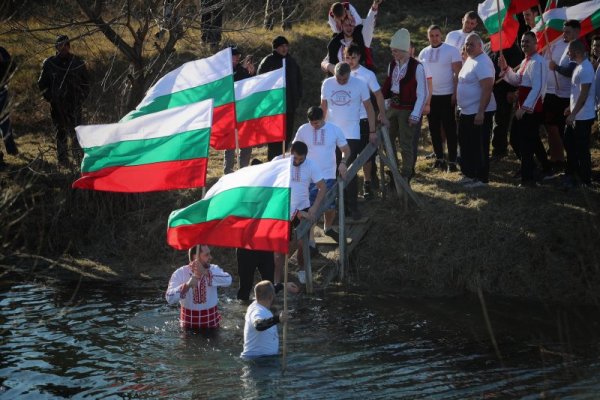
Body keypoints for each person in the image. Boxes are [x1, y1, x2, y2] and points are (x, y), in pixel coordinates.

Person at [321, 62, 376, 219]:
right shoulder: (327, 83)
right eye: (339, 78)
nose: (341, 82)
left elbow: (369, 108)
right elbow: (323, 107)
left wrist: (372, 130)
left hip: (351, 133)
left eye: (344, 79)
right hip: (331, 133)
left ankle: (352, 207)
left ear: (349, 75)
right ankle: (339, 206)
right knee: (335, 170)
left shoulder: (359, 84)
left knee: (349, 170)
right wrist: (321, 131)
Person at [293, 106, 350, 246]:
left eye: (317, 123)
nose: (314, 126)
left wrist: (343, 162)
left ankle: (328, 227)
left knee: (330, 206)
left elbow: (346, 150)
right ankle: (311, 242)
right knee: (310, 207)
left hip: (327, 174)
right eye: (311, 123)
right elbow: (294, 149)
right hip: (307, 175)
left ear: (323, 118)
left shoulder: (334, 129)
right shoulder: (303, 129)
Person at [499, 31, 548, 187]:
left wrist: (525, 108)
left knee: (526, 143)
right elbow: (516, 80)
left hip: (531, 110)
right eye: (522, 41)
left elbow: (538, 87)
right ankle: (542, 168)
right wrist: (505, 67)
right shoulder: (526, 61)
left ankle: (528, 178)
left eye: (527, 41)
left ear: (536, 43)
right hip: (523, 108)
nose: (524, 44)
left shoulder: (538, 61)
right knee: (521, 139)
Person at [273, 141, 327, 283]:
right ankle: (277, 281)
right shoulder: (279, 161)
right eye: (295, 158)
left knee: (303, 243)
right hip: (282, 209)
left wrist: (314, 207)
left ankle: (302, 269)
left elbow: (323, 187)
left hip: (303, 208)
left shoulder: (311, 165)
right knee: (278, 250)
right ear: (291, 152)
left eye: (300, 159)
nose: (297, 161)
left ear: (305, 157)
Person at [381, 28, 427, 183]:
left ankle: (406, 174)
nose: (393, 54)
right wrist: (386, 104)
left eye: (395, 51)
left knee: (405, 143)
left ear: (403, 50)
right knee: (387, 139)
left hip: (408, 109)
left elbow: (422, 93)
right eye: (392, 51)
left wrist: (415, 114)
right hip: (393, 107)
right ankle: (393, 170)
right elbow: (390, 86)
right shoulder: (392, 64)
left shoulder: (417, 67)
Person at [38, 35, 90, 168]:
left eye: (66, 45)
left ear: (69, 46)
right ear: (56, 47)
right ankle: (63, 160)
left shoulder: (77, 62)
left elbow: (86, 83)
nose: (64, 48)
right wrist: (51, 98)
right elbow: (42, 84)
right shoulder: (49, 63)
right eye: (61, 45)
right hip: (57, 105)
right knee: (60, 132)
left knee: (76, 132)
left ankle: (79, 159)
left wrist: (81, 98)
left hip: (74, 103)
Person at [344, 44, 388, 198]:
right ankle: (348, 188)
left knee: (366, 155)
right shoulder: (341, 73)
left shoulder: (367, 74)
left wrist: (382, 113)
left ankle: (367, 183)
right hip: (346, 122)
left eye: (353, 57)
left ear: (359, 57)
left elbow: (378, 95)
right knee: (348, 156)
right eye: (347, 58)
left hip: (364, 119)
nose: (350, 61)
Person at [418, 25, 462, 172]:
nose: (434, 38)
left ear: (441, 35)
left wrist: (456, 93)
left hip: (447, 95)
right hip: (431, 97)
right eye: (431, 35)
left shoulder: (451, 50)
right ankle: (439, 159)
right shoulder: (423, 53)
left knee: (450, 129)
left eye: (437, 35)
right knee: (434, 129)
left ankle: (452, 161)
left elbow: (458, 74)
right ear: (427, 36)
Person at [456, 33, 496, 188]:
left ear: (480, 45)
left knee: (479, 145)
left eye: (471, 44)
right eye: (466, 44)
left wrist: (481, 112)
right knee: (467, 144)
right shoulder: (470, 59)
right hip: (466, 111)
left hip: (478, 112)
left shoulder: (483, 62)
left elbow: (487, 88)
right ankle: (469, 173)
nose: (468, 47)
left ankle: (481, 178)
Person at [257, 36, 303, 160]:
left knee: (287, 137)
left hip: (289, 106)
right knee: (275, 138)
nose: (285, 48)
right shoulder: (268, 61)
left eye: (286, 46)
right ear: (276, 48)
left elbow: (299, 81)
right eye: (282, 46)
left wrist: (297, 98)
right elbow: (261, 83)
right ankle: (273, 162)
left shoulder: (291, 61)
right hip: (274, 108)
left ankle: (281, 160)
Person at [546, 19, 582, 176]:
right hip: (556, 93)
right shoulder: (564, 44)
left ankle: (572, 165)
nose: (563, 34)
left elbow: (570, 70)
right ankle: (557, 159)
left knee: (565, 133)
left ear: (577, 32)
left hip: (568, 96)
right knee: (553, 127)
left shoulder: (578, 47)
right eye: (563, 31)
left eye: (567, 31)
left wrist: (556, 67)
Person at [165, 245, 232, 329]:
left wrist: (205, 273)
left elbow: (228, 280)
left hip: (212, 326)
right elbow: (169, 298)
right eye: (207, 255)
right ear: (195, 257)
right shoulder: (180, 273)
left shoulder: (213, 269)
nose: (211, 257)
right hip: (188, 328)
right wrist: (187, 285)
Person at [563, 40, 596, 188]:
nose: (567, 53)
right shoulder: (579, 66)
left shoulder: (586, 69)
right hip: (576, 114)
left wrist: (573, 114)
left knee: (582, 149)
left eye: (569, 51)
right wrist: (570, 109)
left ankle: (585, 180)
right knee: (569, 143)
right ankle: (572, 173)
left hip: (583, 116)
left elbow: (584, 94)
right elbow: (576, 93)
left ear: (575, 51)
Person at [321, 0, 382, 74]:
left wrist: (375, 5)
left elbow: (369, 23)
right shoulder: (336, 44)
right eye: (346, 25)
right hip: (341, 79)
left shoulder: (363, 38)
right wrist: (331, 67)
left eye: (351, 24)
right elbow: (324, 63)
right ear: (341, 26)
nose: (349, 28)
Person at [486, 40, 522, 160]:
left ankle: (499, 150)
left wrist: (513, 90)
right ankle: (488, 147)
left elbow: (517, 70)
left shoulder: (513, 48)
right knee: (489, 120)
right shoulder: (487, 46)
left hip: (505, 89)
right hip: (489, 89)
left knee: (501, 120)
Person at [224, 45, 254, 174]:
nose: (237, 58)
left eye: (238, 56)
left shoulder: (243, 71)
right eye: (234, 56)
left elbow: (251, 88)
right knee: (230, 145)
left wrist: (251, 74)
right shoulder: (222, 72)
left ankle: (243, 172)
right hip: (228, 113)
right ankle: (228, 173)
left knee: (246, 143)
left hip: (244, 112)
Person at [241, 280, 289, 358]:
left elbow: (268, 291)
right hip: (258, 361)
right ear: (271, 297)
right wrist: (278, 319)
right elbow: (258, 325)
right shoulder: (257, 311)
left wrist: (283, 285)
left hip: (264, 359)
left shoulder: (258, 303)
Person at [0, 46, 17, 168]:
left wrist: (3, 61)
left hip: (2, 92)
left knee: (5, 123)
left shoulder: (2, 51)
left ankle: (11, 149)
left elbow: (13, 67)